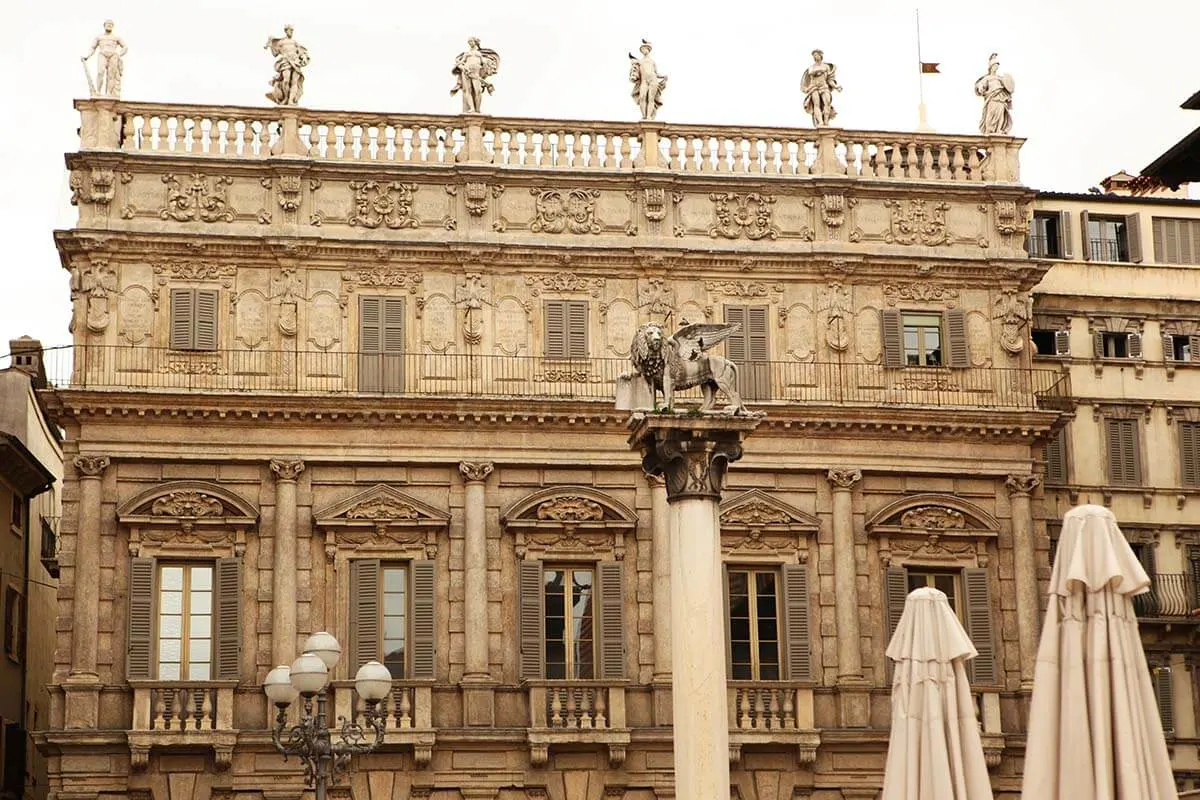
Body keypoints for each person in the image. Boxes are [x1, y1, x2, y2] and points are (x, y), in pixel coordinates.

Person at [451, 38, 500, 114]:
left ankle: (477, 109)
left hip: (476, 72)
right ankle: (472, 108)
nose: (470, 43)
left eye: (471, 41)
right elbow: (461, 62)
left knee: (478, 91)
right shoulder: (467, 53)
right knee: (468, 90)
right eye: (469, 42)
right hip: (466, 71)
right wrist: (462, 67)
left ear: (475, 42)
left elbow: (483, 63)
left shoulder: (479, 54)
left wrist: (489, 66)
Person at [265, 26, 309, 106]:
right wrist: (270, 45)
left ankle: (291, 101)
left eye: (292, 31)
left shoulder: (294, 42)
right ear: (286, 31)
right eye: (290, 30)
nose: (291, 32)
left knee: (294, 82)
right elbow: (275, 54)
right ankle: (285, 98)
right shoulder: (281, 42)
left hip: (295, 62)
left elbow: (302, 52)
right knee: (286, 80)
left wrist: (303, 57)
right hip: (285, 61)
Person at [82, 20, 128, 98]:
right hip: (102, 54)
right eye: (107, 24)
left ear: (113, 26)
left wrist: (119, 54)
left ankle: (109, 94)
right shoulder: (99, 37)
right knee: (100, 72)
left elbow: (125, 47)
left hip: (113, 55)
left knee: (111, 75)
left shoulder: (116, 37)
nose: (109, 26)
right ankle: (98, 92)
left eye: (111, 25)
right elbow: (93, 47)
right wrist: (87, 56)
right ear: (104, 26)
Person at [975, 53, 1014, 135]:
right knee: (991, 113)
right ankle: (990, 129)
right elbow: (981, 86)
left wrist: (1008, 95)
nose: (996, 68)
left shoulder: (1000, 78)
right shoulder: (987, 78)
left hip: (1001, 97)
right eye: (994, 66)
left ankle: (999, 129)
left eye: (997, 66)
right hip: (991, 98)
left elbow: (1007, 88)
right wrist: (981, 88)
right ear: (990, 67)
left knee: (1000, 114)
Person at [801, 49, 841, 127]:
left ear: (820, 55)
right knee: (816, 104)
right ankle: (820, 122)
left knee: (827, 103)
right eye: (814, 55)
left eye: (816, 55)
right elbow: (811, 72)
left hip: (824, 86)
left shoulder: (826, 66)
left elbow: (829, 80)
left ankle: (826, 122)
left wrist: (836, 86)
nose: (815, 57)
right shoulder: (812, 67)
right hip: (814, 87)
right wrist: (820, 70)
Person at [628, 40, 667, 120]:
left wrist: (663, 76)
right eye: (642, 49)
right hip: (644, 81)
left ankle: (648, 116)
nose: (644, 51)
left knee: (650, 98)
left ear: (648, 50)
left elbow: (656, 73)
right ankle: (644, 116)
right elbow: (634, 70)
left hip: (653, 80)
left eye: (645, 49)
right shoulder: (639, 61)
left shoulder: (652, 62)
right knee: (642, 97)